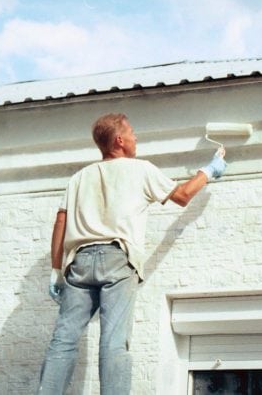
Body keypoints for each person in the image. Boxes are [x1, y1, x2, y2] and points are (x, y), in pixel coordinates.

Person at [37, 113, 226, 395]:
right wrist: (210, 170)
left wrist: (55, 271)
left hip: (79, 263)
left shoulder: (78, 178)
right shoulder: (140, 169)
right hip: (117, 257)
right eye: (133, 133)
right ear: (120, 140)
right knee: (114, 342)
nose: (137, 138)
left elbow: (61, 222)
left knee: (63, 339)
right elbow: (183, 195)